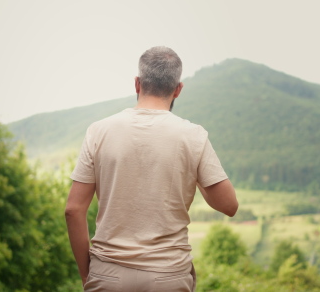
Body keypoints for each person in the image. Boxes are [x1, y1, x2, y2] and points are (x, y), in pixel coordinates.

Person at [65, 46, 238, 292]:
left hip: (108, 275)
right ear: (178, 89)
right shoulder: (193, 136)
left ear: (137, 84)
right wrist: (193, 173)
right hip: (168, 276)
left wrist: (88, 276)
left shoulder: (98, 131)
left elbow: (73, 210)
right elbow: (229, 205)